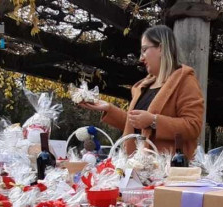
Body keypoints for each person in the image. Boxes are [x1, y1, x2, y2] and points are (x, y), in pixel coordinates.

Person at [79, 25, 204, 159]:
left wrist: (154, 121)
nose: (141, 58)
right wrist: (109, 108)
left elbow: (193, 126)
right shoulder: (142, 87)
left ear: (161, 48)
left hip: (170, 170)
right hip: (137, 167)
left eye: (144, 50)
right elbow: (137, 126)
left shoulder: (185, 81)